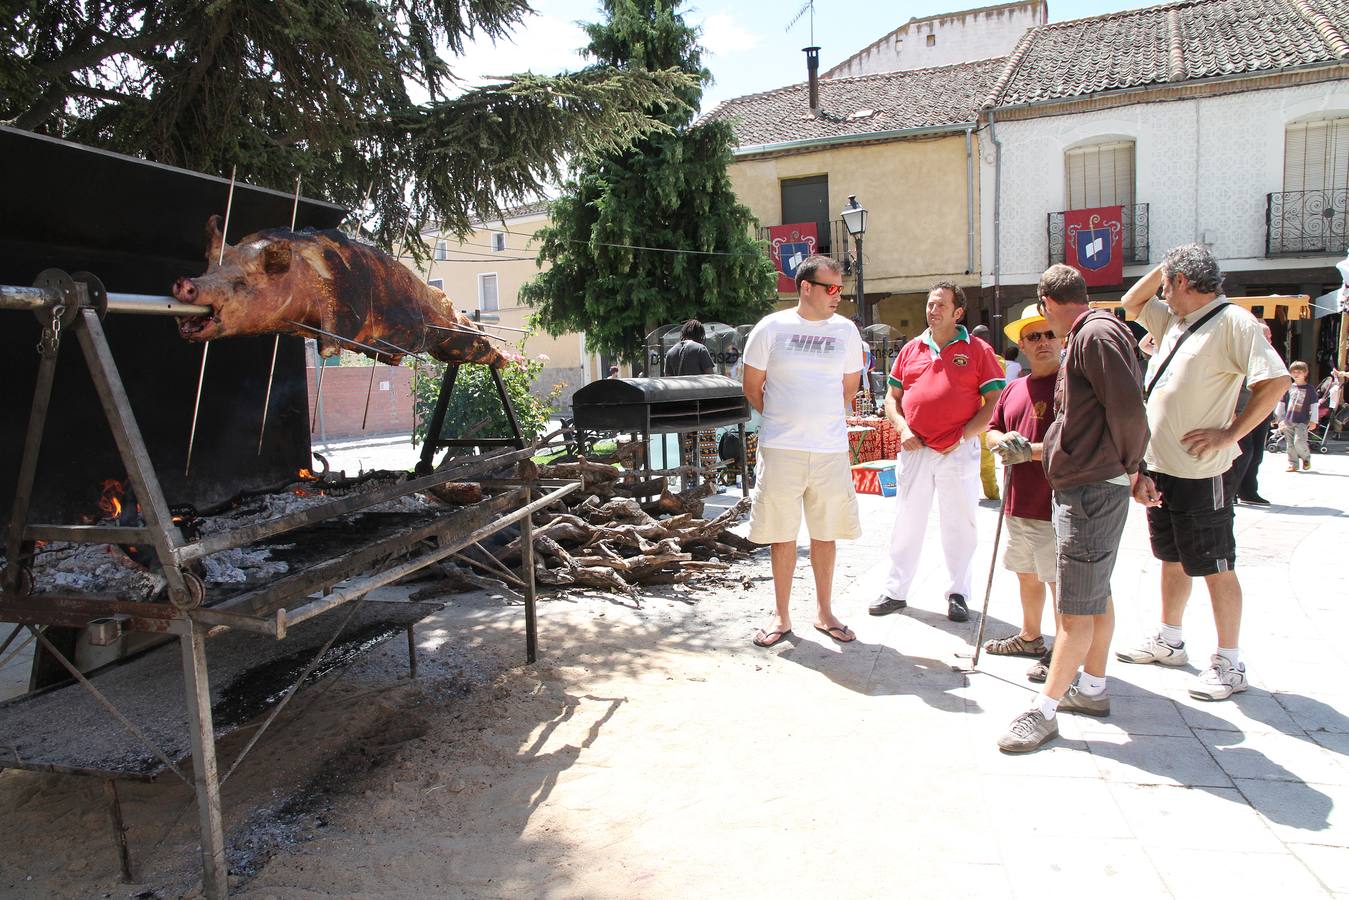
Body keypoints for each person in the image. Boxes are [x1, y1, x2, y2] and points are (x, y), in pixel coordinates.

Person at [1116, 247, 1290, 702]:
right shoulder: (1173, 320)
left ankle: (1229, 662)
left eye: (1169, 284)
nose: (1164, 294)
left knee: (1215, 564)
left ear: (1185, 284)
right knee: (1171, 557)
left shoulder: (1234, 323)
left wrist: (1230, 432)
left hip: (1200, 471)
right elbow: (1131, 303)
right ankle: (1169, 640)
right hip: (1162, 467)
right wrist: (1165, 264)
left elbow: (1274, 382)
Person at [997, 265, 1149, 753]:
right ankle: (1093, 689)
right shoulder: (1094, 333)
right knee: (1094, 596)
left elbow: (1128, 410)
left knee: (1073, 611)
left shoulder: (1094, 334)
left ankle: (1044, 711)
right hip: (1091, 485)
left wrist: (1129, 467)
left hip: (1090, 490)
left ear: (1047, 302)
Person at [741, 256, 865, 647]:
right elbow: (752, 386)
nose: (838, 297)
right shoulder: (771, 328)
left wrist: (816, 419)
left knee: (826, 533)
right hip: (781, 447)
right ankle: (781, 614)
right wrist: (783, 416)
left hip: (829, 449)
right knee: (782, 534)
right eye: (831, 288)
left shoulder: (846, 332)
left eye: (841, 289)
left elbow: (849, 388)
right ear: (806, 287)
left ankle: (825, 612)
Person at [872, 283, 1005, 623]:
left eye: (940, 305)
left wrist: (962, 436)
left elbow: (992, 403)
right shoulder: (911, 349)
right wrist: (903, 429)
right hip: (915, 448)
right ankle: (895, 591)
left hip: (956, 450)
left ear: (958, 312)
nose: (933, 310)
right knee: (906, 521)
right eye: (930, 304)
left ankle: (958, 593)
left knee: (960, 524)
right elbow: (891, 398)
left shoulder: (978, 351)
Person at [983, 307, 1063, 683]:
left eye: (1049, 334)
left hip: (1056, 505)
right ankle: (1031, 637)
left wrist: (1027, 450)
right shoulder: (1014, 387)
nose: (1043, 342)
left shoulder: (1072, 385)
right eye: (1034, 337)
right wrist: (1001, 441)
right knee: (1026, 573)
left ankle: (1064, 650)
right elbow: (992, 428)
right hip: (1018, 501)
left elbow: (1076, 443)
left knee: (1058, 582)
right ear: (1022, 344)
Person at [1233, 322, 1276, 504]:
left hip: (1262, 412)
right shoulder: (1238, 356)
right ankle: (1231, 492)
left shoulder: (1270, 358)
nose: (1268, 341)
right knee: (1243, 453)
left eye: (1270, 337)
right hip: (1241, 413)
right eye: (1264, 337)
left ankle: (1249, 491)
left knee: (1257, 454)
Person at [971, 323, 1006, 501]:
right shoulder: (999, 360)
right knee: (987, 456)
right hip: (992, 412)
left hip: (972, 412)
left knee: (968, 454)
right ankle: (992, 492)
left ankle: (969, 493)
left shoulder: (972, 358)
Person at [1276, 361, 1319, 472]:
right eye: (1293, 372)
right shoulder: (1288, 388)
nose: (1296, 374)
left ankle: (1306, 458)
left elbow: (1314, 406)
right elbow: (1282, 403)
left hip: (1302, 421)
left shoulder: (1310, 389)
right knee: (1290, 444)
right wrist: (1278, 418)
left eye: (1299, 371)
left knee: (1299, 442)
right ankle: (1293, 464)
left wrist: (1313, 420)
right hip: (1288, 421)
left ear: (1305, 373)